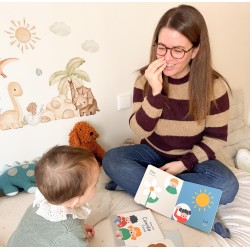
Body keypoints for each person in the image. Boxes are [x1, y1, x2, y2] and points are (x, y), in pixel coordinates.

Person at [102, 4, 239, 238]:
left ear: (195, 51)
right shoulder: (144, 80)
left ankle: (147, 186)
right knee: (112, 160)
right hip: (153, 152)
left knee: (228, 187)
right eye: (162, 48)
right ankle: (194, 208)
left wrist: (182, 164)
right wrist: (155, 92)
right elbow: (139, 131)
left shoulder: (214, 86)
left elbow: (216, 139)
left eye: (178, 50)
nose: (167, 58)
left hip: (193, 159)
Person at [7, 145, 100, 247]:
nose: (97, 185)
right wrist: (75, 236)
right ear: (75, 201)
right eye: (94, 184)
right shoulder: (70, 231)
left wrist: (78, 232)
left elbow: (43, 232)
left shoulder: (40, 206)